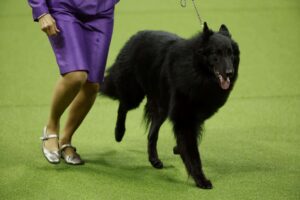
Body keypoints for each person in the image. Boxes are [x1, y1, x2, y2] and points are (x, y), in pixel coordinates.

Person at [28, 0, 119, 165]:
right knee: (76, 75)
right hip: (63, 7)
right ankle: (51, 126)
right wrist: (41, 11)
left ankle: (65, 140)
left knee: (92, 84)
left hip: (102, 11)